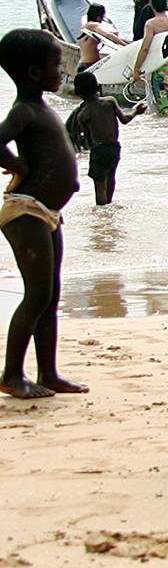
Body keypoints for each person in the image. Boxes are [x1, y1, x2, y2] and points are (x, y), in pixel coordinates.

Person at [0, 30, 85, 398]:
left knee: (50, 294)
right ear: (34, 72)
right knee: (37, 294)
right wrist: (17, 164)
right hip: (26, 210)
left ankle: (48, 372)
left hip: (48, 211)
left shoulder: (42, 109)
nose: (62, 70)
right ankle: (12, 375)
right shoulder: (24, 111)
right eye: (56, 64)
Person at [69, 70, 145, 205]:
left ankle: (102, 214)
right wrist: (136, 112)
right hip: (114, 147)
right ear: (98, 87)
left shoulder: (83, 115)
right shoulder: (110, 102)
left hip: (98, 150)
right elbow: (125, 120)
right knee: (111, 177)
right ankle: (109, 207)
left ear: (78, 93)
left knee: (99, 185)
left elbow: (89, 142)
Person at [77, 4, 126, 70]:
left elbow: (106, 34)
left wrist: (114, 35)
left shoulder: (87, 26)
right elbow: (107, 35)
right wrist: (125, 45)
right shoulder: (94, 25)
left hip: (84, 63)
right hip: (89, 64)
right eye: (103, 15)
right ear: (98, 17)